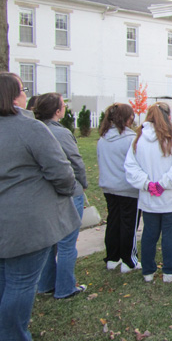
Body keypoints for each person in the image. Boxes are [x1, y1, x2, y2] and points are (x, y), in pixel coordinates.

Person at [0, 72, 79, 341]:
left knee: (4, 282)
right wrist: (68, 190)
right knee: (20, 283)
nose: (26, 95)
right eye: (23, 89)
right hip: (25, 223)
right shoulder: (29, 127)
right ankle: (12, 334)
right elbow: (61, 171)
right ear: (13, 97)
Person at [124, 103, 172, 283]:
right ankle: (170, 270)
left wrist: (148, 184)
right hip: (170, 198)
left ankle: (148, 270)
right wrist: (157, 184)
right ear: (168, 116)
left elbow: (130, 166)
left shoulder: (138, 138)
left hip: (150, 197)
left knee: (149, 234)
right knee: (171, 235)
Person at [34, 93, 88, 299]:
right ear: (57, 111)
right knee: (66, 243)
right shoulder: (60, 133)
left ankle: (46, 284)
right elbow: (75, 161)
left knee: (49, 242)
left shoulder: (35, 130)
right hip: (67, 192)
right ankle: (65, 287)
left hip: (45, 194)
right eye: (62, 105)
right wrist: (82, 183)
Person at [97, 103, 141, 273]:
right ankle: (129, 260)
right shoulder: (130, 140)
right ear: (127, 118)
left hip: (109, 187)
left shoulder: (103, 139)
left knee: (113, 222)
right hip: (127, 188)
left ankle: (112, 257)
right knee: (128, 224)